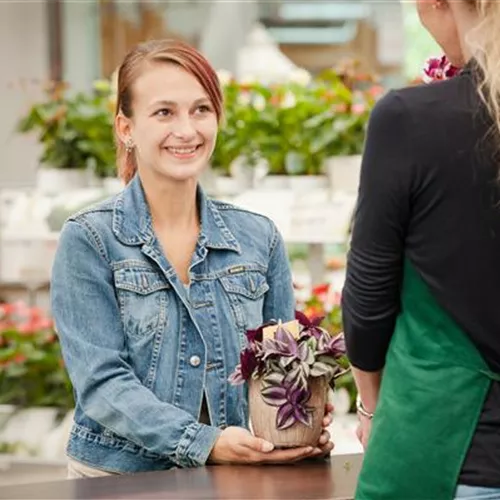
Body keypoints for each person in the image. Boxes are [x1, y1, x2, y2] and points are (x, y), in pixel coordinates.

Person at [51, 39, 333, 478]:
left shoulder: (259, 237)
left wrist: (301, 420)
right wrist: (206, 443)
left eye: (201, 109)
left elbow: (283, 365)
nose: (187, 130)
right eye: (164, 112)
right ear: (126, 128)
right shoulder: (91, 238)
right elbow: (101, 384)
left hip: (238, 476)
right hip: (120, 479)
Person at [341, 1, 500, 499]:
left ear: (436, 4)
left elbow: (368, 299)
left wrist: (371, 407)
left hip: (452, 456)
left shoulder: (411, 120)